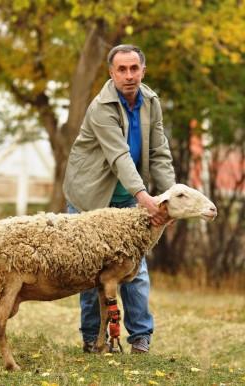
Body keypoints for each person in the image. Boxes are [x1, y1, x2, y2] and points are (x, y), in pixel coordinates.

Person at [63, 44, 176, 353]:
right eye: (122, 70)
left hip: (128, 198)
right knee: (89, 270)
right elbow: (120, 157)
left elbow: (159, 153)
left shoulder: (151, 101)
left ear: (143, 70)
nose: (129, 75)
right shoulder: (101, 108)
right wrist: (144, 197)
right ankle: (92, 339)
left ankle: (140, 338)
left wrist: (170, 199)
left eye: (134, 69)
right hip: (91, 197)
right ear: (111, 73)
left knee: (134, 269)